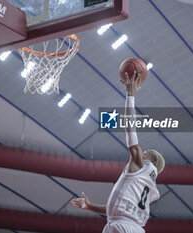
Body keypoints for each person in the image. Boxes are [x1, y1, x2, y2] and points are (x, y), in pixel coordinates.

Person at [71, 71, 165, 233]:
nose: (143, 152)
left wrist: (130, 96)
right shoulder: (149, 186)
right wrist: (90, 206)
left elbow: (130, 129)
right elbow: (119, 208)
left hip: (121, 227)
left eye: (147, 152)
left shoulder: (141, 165)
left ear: (152, 161)